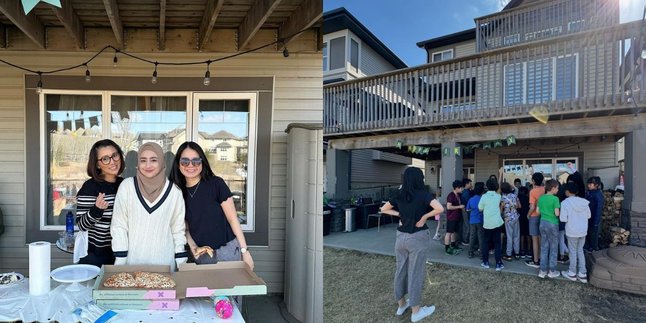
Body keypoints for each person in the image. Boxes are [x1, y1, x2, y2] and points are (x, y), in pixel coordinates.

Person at [169, 142, 254, 270]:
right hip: (201, 256)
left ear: (202, 162)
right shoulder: (177, 192)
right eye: (185, 161)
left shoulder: (216, 184)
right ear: (178, 164)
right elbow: (184, 229)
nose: (190, 165)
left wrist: (245, 251)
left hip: (227, 252)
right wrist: (194, 249)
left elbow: (233, 219)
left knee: (227, 290)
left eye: (196, 161)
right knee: (204, 290)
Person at [111, 142, 187, 270]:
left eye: (153, 160)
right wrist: (120, 261)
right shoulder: (127, 186)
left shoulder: (175, 192)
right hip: (132, 264)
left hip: (165, 266)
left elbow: (177, 230)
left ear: (162, 162)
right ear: (137, 164)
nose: (148, 165)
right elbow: (119, 225)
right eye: (143, 160)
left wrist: (181, 263)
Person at [380, 167, 443, 322]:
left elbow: (384, 209)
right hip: (417, 238)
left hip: (401, 237)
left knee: (400, 270)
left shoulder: (399, 194)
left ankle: (401, 305)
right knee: (415, 273)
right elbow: (440, 208)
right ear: (419, 179)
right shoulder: (423, 195)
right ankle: (416, 311)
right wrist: (424, 216)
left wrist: (399, 214)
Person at [75, 139, 125, 267]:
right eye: (105, 159)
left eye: (115, 155)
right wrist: (96, 210)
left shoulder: (124, 184)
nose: (113, 162)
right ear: (97, 164)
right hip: (96, 257)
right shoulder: (90, 187)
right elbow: (81, 225)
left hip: (122, 254)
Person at [559, 182, 590, 283]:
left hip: (572, 231)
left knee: (572, 252)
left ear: (567, 192)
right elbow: (589, 216)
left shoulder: (565, 203)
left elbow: (563, 219)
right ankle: (582, 273)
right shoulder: (584, 202)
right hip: (583, 231)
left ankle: (572, 272)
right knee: (580, 251)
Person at [537, 179, 561, 278]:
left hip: (542, 222)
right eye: (557, 188)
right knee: (554, 247)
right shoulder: (555, 199)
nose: (558, 190)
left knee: (544, 246)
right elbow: (557, 213)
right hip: (552, 223)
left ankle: (542, 271)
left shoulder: (541, 198)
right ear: (553, 188)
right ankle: (552, 271)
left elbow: (538, 212)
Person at [478, 178, 504, 271]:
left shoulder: (484, 196)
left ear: (487, 186)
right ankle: (498, 263)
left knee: (486, 243)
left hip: (487, 223)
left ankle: (485, 262)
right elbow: (499, 189)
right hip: (497, 222)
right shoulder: (498, 196)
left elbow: (480, 209)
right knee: (497, 243)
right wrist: (500, 174)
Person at [525, 172, 545, 268]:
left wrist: (528, 215)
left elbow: (532, 207)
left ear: (533, 181)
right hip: (543, 216)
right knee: (541, 238)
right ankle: (541, 258)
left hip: (534, 216)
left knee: (534, 239)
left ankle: (536, 261)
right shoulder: (545, 189)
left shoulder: (532, 191)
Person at [500, 182, 521, 261]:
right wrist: (510, 185)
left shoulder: (502, 198)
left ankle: (509, 254)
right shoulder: (514, 195)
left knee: (509, 236)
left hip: (508, 219)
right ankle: (517, 253)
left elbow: (501, 209)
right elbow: (516, 189)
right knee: (516, 235)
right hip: (516, 217)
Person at [444, 180, 464, 255]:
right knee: (449, 232)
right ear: (457, 188)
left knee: (454, 232)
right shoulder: (451, 195)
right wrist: (459, 206)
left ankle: (453, 245)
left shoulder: (458, 195)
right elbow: (448, 207)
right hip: (451, 217)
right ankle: (447, 249)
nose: (462, 189)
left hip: (456, 217)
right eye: (461, 188)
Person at [585, 176, 603, 252]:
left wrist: (596, 221)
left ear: (596, 185)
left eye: (590, 184)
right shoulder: (589, 192)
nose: (589, 185)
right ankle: (588, 248)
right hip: (587, 217)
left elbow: (598, 208)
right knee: (588, 234)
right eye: (588, 184)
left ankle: (594, 249)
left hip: (594, 218)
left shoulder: (598, 194)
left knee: (593, 235)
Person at [466, 182, 485, 259]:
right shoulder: (482, 199)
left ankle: (470, 252)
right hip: (480, 220)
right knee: (481, 237)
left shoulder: (471, 199)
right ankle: (481, 253)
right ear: (482, 192)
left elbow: (467, 209)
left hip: (472, 220)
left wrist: (472, 210)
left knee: (472, 236)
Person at [517, 186, 531, 258]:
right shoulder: (528, 199)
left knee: (522, 234)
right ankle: (529, 250)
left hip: (520, 218)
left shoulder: (518, 199)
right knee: (528, 234)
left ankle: (522, 250)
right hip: (528, 218)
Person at [460, 178, 473, 245]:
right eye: (470, 183)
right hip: (466, 210)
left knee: (466, 224)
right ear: (466, 184)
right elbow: (467, 202)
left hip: (465, 210)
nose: (471, 185)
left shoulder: (466, 191)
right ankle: (465, 240)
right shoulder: (466, 193)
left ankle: (465, 239)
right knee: (467, 225)